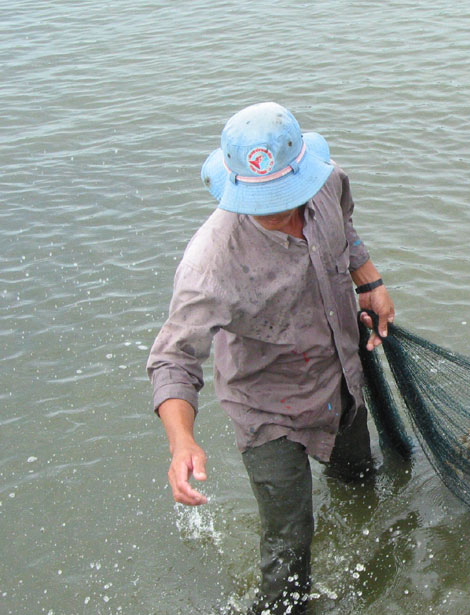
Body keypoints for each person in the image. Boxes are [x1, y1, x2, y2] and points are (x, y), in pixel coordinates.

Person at [147, 102, 395, 614]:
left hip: (342, 377)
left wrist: (368, 281)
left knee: (360, 477)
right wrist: (182, 441)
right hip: (267, 408)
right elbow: (174, 359)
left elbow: (344, 227)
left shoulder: (327, 182)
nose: (279, 212)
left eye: (288, 197)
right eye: (262, 203)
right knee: (289, 541)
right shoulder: (210, 262)